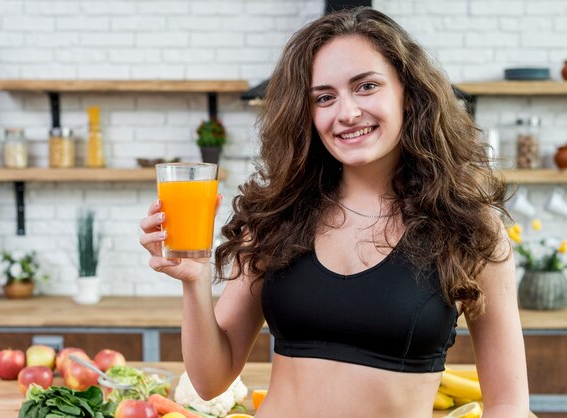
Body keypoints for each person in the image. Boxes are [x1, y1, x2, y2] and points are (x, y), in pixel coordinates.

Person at [140, 7, 529, 418]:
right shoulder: (277, 217)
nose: (346, 113)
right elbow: (209, 380)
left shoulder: (467, 228)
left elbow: (507, 402)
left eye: (366, 87)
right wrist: (195, 280)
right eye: (324, 97)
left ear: (408, 93)